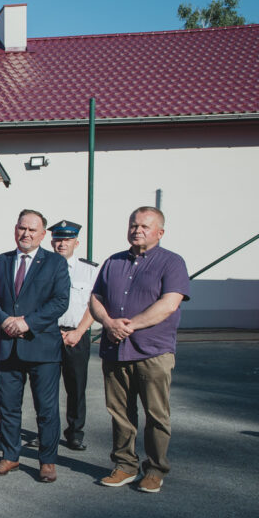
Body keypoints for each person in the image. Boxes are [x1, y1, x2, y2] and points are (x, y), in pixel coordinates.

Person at [91, 207, 190, 494]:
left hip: (153, 352)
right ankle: (124, 465)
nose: (137, 230)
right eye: (134, 225)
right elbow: (95, 299)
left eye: (145, 226)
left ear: (160, 232)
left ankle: (155, 470)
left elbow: (169, 303)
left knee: (156, 415)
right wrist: (109, 322)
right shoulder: (113, 262)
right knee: (120, 413)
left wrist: (128, 326)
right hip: (115, 351)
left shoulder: (172, 263)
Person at [0, 210, 70, 483]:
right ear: (15, 229)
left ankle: (47, 461)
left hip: (42, 347)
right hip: (8, 345)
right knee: (8, 406)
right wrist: (4, 320)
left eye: (33, 230)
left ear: (43, 235)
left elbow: (60, 301)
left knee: (46, 408)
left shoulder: (54, 263)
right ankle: (10, 456)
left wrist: (27, 322)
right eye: (22, 228)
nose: (26, 234)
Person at [46, 220, 99, 451]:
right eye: (58, 239)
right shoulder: (43, 266)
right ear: (51, 241)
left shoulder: (90, 270)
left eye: (67, 239)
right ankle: (46, 431)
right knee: (46, 387)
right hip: (48, 334)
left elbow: (95, 304)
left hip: (77, 334)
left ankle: (75, 432)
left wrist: (78, 331)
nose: (61, 244)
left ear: (76, 243)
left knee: (76, 386)